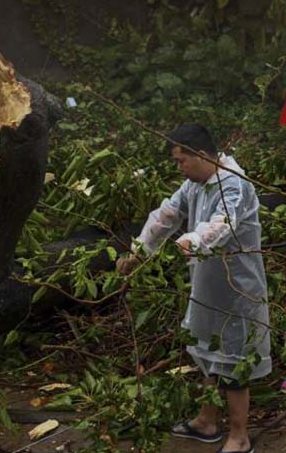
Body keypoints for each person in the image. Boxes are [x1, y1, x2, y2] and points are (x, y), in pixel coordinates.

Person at [116, 124, 269, 453]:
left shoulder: (234, 184)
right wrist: (139, 251)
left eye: (181, 160)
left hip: (236, 289)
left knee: (234, 361)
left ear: (201, 155)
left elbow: (221, 225)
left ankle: (240, 437)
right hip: (207, 285)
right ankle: (206, 421)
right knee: (207, 353)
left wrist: (193, 240)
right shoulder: (194, 185)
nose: (179, 167)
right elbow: (166, 215)